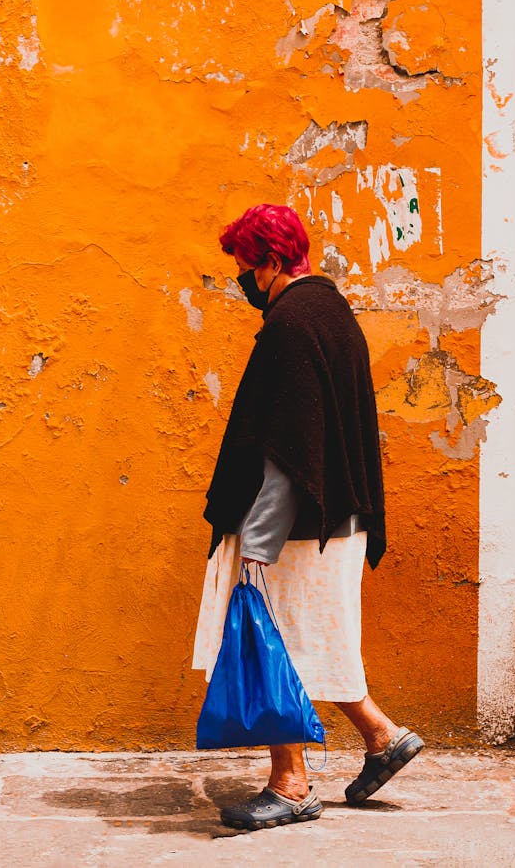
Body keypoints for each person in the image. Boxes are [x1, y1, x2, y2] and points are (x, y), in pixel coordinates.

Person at [192, 203, 423, 830]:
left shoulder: (290, 324)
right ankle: (382, 738)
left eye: (245, 268)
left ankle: (290, 784)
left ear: (269, 261)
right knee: (311, 640)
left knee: (276, 647)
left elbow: (288, 450)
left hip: (295, 527)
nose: (243, 282)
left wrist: (257, 546)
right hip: (335, 521)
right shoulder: (333, 312)